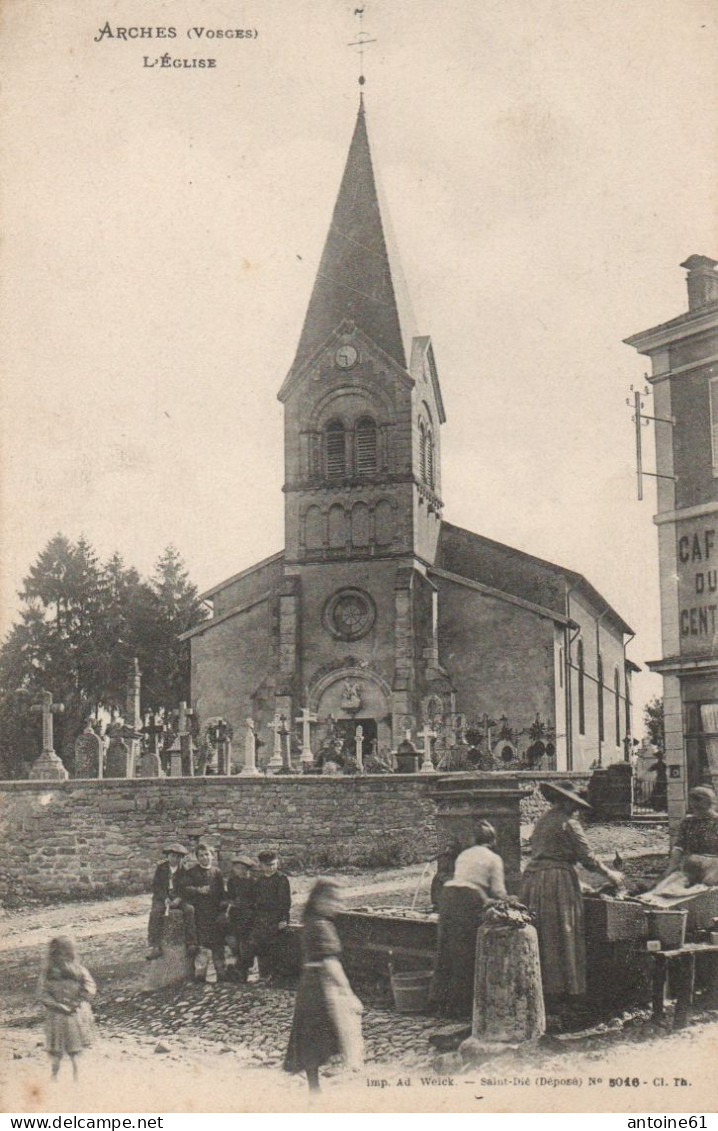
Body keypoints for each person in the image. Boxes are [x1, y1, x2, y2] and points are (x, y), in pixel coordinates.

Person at [520, 781, 622, 1004]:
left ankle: (542, 988)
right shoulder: (569, 824)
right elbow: (588, 858)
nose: (575, 809)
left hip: (534, 879)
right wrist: (610, 874)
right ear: (563, 801)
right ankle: (564, 992)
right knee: (563, 930)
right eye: (573, 803)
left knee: (543, 932)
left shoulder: (543, 820)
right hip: (556, 880)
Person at [284, 879, 363, 1092]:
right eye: (333, 900)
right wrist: (348, 992)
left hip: (309, 982)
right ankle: (319, 1087)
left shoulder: (311, 921)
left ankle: (314, 1086)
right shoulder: (321, 926)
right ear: (320, 900)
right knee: (324, 1031)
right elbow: (330, 962)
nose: (337, 905)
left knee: (311, 1034)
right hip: (321, 984)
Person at [430, 821, 510, 1019]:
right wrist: (509, 899)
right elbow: (498, 891)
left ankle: (437, 1002)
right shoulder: (493, 859)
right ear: (492, 841)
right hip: (467, 899)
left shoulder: (465, 855)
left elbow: (464, 879)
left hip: (448, 894)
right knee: (465, 953)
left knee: (445, 950)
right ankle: (460, 1008)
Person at [37, 936, 96, 1082]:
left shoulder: (51, 972)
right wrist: (74, 1003)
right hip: (70, 1014)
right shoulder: (77, 970)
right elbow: (89, 989)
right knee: (68, 1050)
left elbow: (42, 993)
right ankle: (63, 1078)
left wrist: (61, 1004)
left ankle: (62, 1078)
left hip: (63, 1015)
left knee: (65, 1050)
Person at [182, 842, 226, 980]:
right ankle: (200, 977)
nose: (204, 858)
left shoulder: (217, 872)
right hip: (200, 913)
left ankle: (222, 976)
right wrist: (198, 890)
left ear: (212, 856)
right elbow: (184, 889)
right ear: (197, 857)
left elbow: (221, 892)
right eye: (200, 855)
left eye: (207, 854)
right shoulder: (191, 872)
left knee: (218, 946)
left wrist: (223, 907)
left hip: (215, 913)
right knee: (202, 947)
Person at [146, 842, 194, 960]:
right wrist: (164, 898)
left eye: (178, 857)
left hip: (178, 897)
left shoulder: (184, 870)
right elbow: (156, 886)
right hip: (163, 897)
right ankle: (155, 946)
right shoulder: (161, 868)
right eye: (172, 856)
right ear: (167, 856)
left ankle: (191, 943)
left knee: (189, 910)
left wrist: (179, 898)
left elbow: (186, 887)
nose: (175, 859)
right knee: (156, 912)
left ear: (181, 858)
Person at [248, 849, 291, 981]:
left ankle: (277, 977)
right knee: (261, 946)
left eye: (273, 864)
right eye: (267, 865)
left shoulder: (281, 879)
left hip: (277, 918)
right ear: (261, 866)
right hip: (262, 919)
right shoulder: (259, 881)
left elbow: (285, 902)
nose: (271, 868)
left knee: (276, 947)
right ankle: (263, 975)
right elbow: (255, 900)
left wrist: (283, 919)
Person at [660, 785, 718, 881]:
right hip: (691, 866)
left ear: (710, 803)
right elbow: (679, 846)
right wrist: (671, 867)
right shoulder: (688, 822)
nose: (696, 806)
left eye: (700, 801)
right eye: (693, 802)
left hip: (713, 867)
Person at [225, 855, 257, 981]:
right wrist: (232, 904)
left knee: (247, 944)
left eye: (243, 869)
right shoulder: (232, 881)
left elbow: (255, 901)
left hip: (249, 917)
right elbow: (231, 897)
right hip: (236, 915)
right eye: (237, 868)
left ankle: (245, 970)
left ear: (248, 869)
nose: (240, 871)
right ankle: (238, 969)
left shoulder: (253, 882)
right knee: (235, 942)